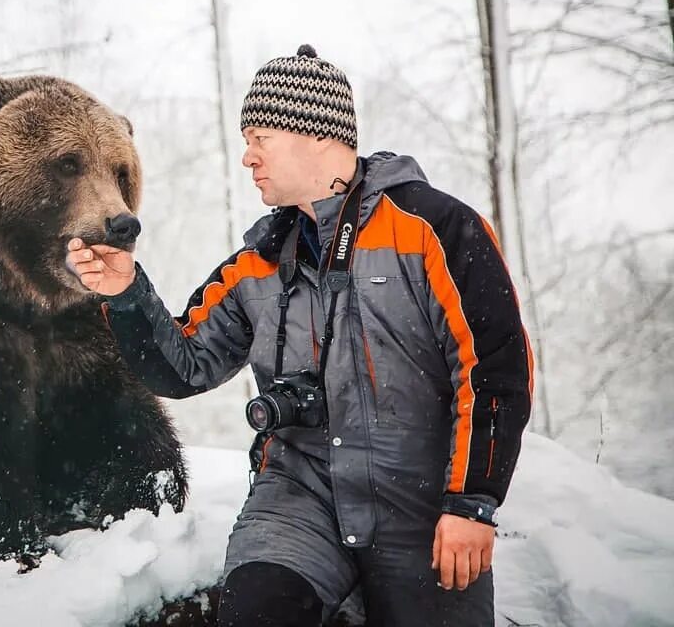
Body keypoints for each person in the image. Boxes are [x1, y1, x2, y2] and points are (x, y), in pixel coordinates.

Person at [66, 45, 533, 627]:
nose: (247, 156)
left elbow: (494, 370)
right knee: (257, 607)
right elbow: (183, 367)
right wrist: (126, 291)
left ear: (314, 134)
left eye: (260, 137)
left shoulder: (436, 228)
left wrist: (471, 503)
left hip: (423, 503)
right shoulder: (258, 261)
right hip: (299, 501)